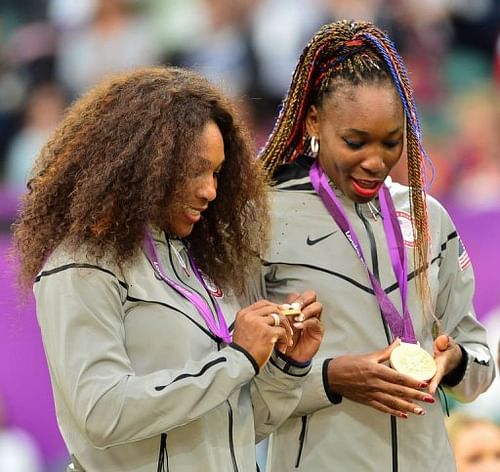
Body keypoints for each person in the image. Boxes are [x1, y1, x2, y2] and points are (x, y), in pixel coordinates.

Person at [11, 66, 323, 472]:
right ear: (144, 162)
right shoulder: (81, 264)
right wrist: (236, 359)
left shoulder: (204, 263)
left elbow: (233, 428)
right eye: (196, 170)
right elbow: (102, 413)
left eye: (216, 173)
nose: (211, 190)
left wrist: (286, 366)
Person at [258, 20, 494, 471]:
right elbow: (239, 390)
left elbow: (479, 361)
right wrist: (331, 377)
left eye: (391, 142)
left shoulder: (428, 217)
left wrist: (457, 361)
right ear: (312, 121)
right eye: (355, 141)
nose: (375, 161)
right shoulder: (264, 221)